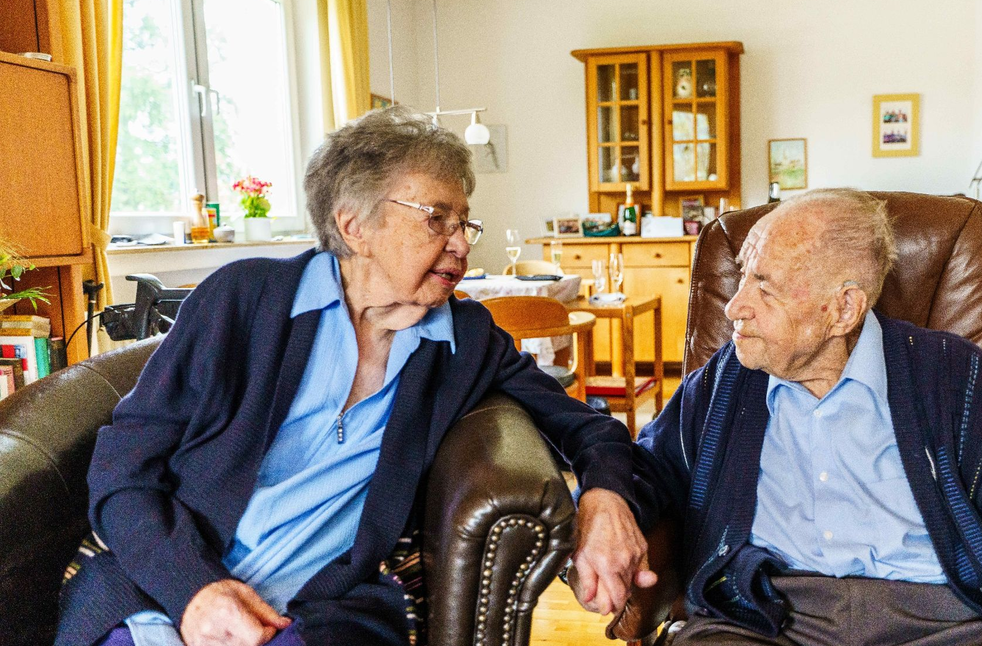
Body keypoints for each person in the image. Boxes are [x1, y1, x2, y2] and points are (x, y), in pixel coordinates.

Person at [56, 106, 652, 646]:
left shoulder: (464, 339)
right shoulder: (242, 300)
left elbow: (588, 427)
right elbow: (123, 467)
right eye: (435, 219)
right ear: (353, 226)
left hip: (317, 608)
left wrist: (603, 498)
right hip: (171, 585)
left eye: (464, 223)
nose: (460, 245)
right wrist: (194, 590)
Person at [617, 189, 982, 645]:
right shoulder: (724, 382)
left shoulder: (956, 380)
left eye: (764, 286)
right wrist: (600, 503)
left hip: (947, 624)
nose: (736, 306)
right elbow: (643, 473)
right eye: (742, 277)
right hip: (768, 618)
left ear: (844, 308)